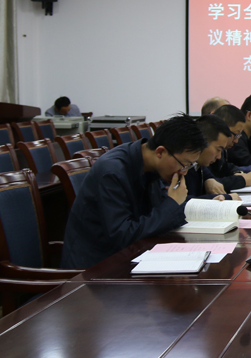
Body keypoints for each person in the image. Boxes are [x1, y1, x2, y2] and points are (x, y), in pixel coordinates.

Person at [60, 114, 207, 269]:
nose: (184, 172)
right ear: (160, 152)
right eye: (184, 164)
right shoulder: (112, 172)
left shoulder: (153, 166)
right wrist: (172, 204)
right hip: (96, 268)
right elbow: (123, 235)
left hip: (130, 256)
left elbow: (158, 210)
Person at [210, 104, 251, 191]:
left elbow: (227, 167)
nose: (236, 141)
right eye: (235, 135)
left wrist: (238, 173)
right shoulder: (208, 151)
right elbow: (214, 184)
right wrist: (243, 180)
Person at [184, 114, 241, 199]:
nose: (219, 156)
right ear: (202, 142)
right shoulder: (182, 166)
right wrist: (226, 198)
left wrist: (209, 178)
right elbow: (180, 202)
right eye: (218, 150)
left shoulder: (199, 165)